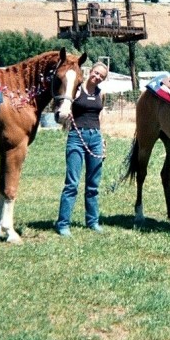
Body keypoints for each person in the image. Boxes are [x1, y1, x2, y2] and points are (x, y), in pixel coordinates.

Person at [55, 61, 109, 237]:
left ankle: (92, 221)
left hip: (95, 138)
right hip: (76, 138)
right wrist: (66, 113)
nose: (97, 77)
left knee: (93, 185)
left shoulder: (101, 94)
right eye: (96, 73)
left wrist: (102, 139)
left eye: (101, 75)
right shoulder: (76, 89)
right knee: (72, 183)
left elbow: (100, 117)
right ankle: (63, 224)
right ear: (90, 71)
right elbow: (63, 106)